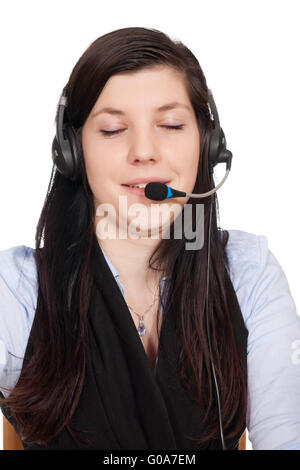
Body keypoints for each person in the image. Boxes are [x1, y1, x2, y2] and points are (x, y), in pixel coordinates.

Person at [0, 26, 300, 451]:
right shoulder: (17, 290)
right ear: (71, 152)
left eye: (172, 124)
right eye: (112, 130)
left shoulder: (249, 272)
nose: (144, 151)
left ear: (208, 144)